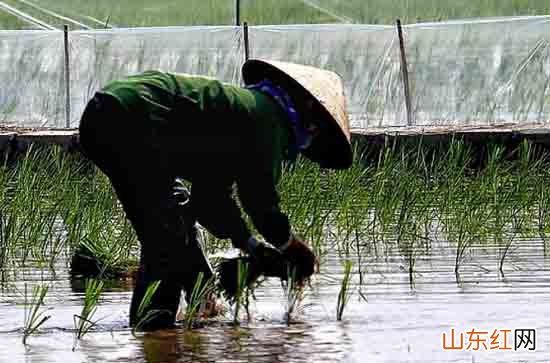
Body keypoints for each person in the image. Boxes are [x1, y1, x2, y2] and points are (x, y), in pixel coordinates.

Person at [77, 59, 353, 329]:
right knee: (166, 238)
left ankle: (202, 301)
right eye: (316, 127)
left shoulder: (243, 115)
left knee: (177, 213)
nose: (313, 135)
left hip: (110, 113)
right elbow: (260, 203)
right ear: (306, 107)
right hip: (130, 116)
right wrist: (291, 247)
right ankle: (154, 333)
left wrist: (251, 247)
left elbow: (209, 202)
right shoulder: (269, 120)